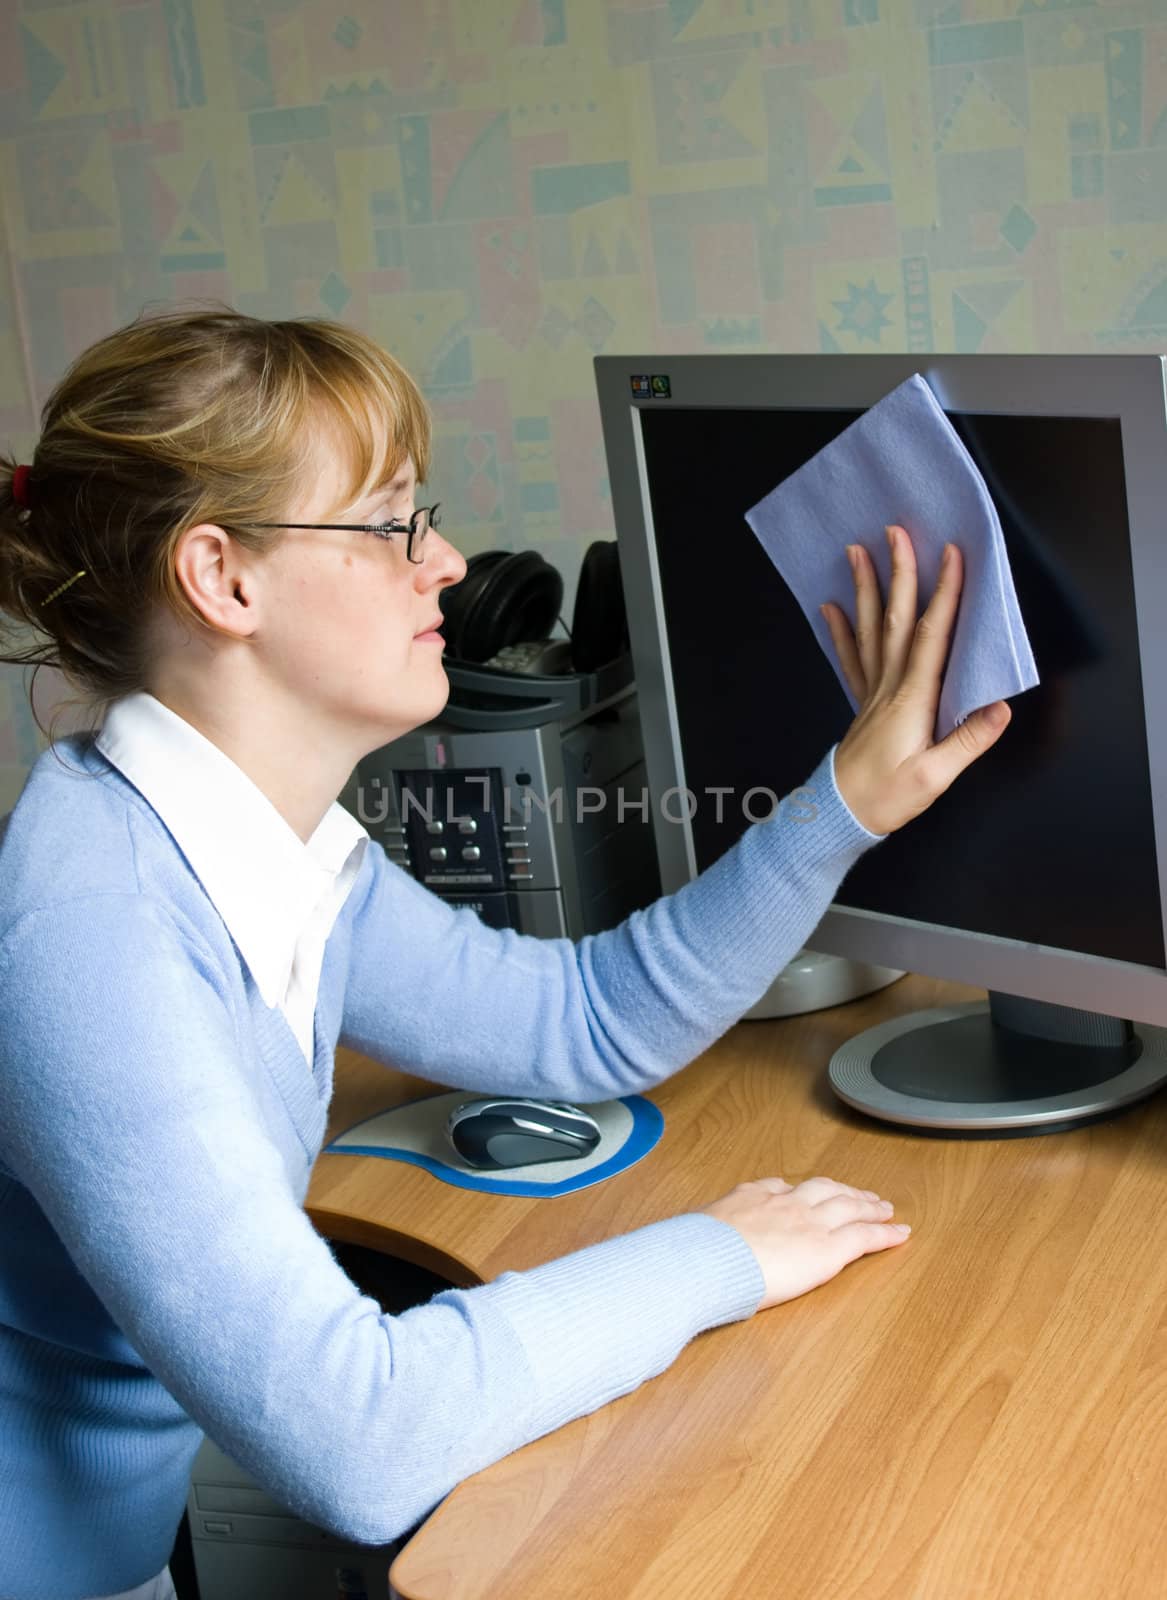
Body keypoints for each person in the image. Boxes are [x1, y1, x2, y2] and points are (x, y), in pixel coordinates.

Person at [0, 306, 1011, 1600]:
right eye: (390, 525)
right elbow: (356, 1440)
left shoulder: (274, 852)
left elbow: (584, 1023)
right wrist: (721, 1257)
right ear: (224, 579)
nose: (450, 564)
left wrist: (845, 802)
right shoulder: (100, 938)